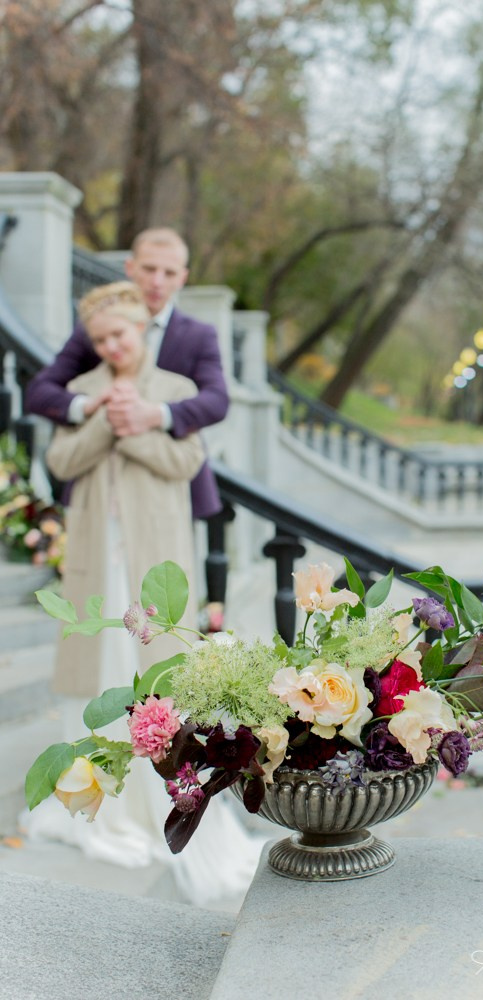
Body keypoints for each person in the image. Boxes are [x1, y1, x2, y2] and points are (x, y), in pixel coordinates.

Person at [22, 283, 263, 907]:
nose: (111, 346)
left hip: (154, 555)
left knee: (155, 671)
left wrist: (139, 423)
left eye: (120, 335)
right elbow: (62, 459)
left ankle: (162, 791)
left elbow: (185, 464)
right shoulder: (84, 397)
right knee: (101, 663)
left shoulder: (176, 392)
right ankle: (99, 798)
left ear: (139, 332)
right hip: (98, 553)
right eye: (100, 339)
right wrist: (103, 417)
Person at [25, 227, 228, 520]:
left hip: (167, 485)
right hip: (99, 484)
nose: (157, 282)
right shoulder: (96, 329)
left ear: (182, 278)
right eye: (149, 269)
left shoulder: (199, 335)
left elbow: (217, 401)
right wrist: (88, 407)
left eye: (169, 273)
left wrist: (154, 414)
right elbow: (39, 392)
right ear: (130, 268)